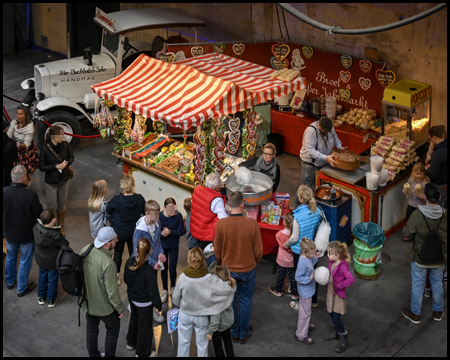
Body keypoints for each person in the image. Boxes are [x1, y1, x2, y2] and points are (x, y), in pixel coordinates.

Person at [214, 191, 263, 344]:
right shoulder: (252, 224)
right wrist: (253, 262)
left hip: (229, 271)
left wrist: (223, 263)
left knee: (231, 302)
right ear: (242, 205)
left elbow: (217, 250)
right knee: (246, 301)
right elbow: (259, 251)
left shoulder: (221, 224)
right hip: (248, 269)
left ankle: (233, 332)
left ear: (228, 205)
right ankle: (243, 333)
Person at [172, 248, 236, 357]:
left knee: (183, 343)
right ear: (203, 260)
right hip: (201, 316)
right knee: (202, 346)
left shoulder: (183, 277)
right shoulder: (209, 278)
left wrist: (180, 305)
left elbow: (175, 298)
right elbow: (229, 289)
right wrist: (230, 279)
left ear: (189, 260)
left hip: (185, 314)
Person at [402, 183, 447, 324]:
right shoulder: (445, 216)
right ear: (439, 198)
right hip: (440, 257)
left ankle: (415, 314)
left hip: (420, 257)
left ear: (425, 197)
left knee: (417, 284)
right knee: (437, 283)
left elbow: (407, 234)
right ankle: (438, 312)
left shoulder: (417, 215)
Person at [80, 227, 125, 358]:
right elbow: (112, 293)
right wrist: (120, 309)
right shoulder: (108, 264)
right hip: (104, 308)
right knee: (113, 329)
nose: (117, 240)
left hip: (87, 302)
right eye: (114, 239)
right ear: (107, 243)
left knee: (91, 329)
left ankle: (93, 355)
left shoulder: (85, 249)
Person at [3, 165, 43, 296]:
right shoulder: (30, 195)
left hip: (9, 233)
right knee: (25, 260)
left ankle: (9, 282)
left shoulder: (4, 192)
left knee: (10, 257)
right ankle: (21, 288)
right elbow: (38, 214)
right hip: (26, 235)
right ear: (24, 178)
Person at [284, 185, 321, 309]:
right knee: (312, 274)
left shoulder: (297, 216)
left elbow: (294, 238)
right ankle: (314, 301)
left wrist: (286, 244)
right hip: (312, 247)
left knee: (299, 275)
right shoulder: (317, 211)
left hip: (300, 250)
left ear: (300, 199)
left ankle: (296, 299)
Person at [124, 238, 162, 358]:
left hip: (132, 299)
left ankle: (131, 342)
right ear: (150, 251)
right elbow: (153, 291)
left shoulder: (129, 261)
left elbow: (126, 279)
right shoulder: (149, 271)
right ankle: (142, 353)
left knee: (134, 320)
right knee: (144, 328)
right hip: (145, 304)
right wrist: (158, 305)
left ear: (136, 249)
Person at [106, 174, 146, 286]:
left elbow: (108, 210)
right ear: (133, 185)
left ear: (122, 186)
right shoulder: (139, 198)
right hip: (134, 232)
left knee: (118, 254)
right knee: (133, 253)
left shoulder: (116, 200)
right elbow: (145, 211)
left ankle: (117, 276)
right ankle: (134, 275)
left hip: (119, 232)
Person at [132, 199, 166, 323]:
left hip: (155, 264)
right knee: (145, 289)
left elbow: (158, 241)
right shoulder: (139, 231)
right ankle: (149, 310)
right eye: (155, 215)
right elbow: (137, 253)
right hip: (144, 264)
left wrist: (161, 252)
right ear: (147, 214)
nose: (157, 217)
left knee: (151, 287)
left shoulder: (157, 223)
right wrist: (152, 263)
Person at [38, 125, 74, 236]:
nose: (62, 137)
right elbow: (42, 167)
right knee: (51, 206)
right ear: (53, 136)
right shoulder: (45, 149)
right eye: (59, 135)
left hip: (64, 179)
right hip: (51, 182)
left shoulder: (65, 145)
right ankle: (53, 226)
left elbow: (71, 157)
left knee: (62, 205)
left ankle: (60, 226)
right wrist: (55, 167)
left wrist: (67, 163)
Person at [298, 116, 345, 200]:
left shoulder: (330, 127)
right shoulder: (311, 131)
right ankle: (297, 209)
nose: (327, 133)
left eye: (328, 131)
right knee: (305, 190)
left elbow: (335, 138)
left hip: (324, 162)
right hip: (310, 164)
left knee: (321, 188)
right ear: (319, 126)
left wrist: (340, 147)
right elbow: (310, 150)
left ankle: (316, 207)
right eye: (325, 132)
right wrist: (326, 157)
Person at [323, 241, 355, 353]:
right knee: (331, 313)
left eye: (329, 253)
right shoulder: (332, 262)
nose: (327, 255)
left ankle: (343, 337)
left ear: (337, 255)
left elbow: (351, 279)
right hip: (330, 293)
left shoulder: (342, 267)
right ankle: (336, 331)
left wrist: (340, 285)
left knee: (336, 317)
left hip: (337, 295)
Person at [33, 208, 68, 308]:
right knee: (52, 279)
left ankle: (41, 297)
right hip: (53, 262)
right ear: (53, 220)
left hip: (41, 259)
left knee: (42, 276)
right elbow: (65, 244)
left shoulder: (36, 228)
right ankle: (51, 300)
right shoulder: (56, 234)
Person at [191, 172, 228, 250]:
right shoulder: (217, 200)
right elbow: (223, 219)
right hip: (207, 234)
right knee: (207, 254)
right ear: (217, 186)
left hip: (196, 229)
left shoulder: (197, 189)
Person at [295, 238, 321, 345]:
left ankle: (305, 326)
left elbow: (311, 263)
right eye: (312, 252)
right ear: (304, 252)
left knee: (307, 311)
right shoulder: (302, 263)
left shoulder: (307, 258)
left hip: (308, 291)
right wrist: (309, 279)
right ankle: (301, 334)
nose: (314, 253)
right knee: (304, 313)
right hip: (305, 292)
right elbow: (298, 277)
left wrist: (316, 257)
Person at [159, 197, 185, 303]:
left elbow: (181, 231)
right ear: (164, 208)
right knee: (163, 268)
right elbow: (153, 229)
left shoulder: (178, 216)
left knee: (173, 269)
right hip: (162, 245)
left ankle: (173, 287)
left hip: (174, 245)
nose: (171, 213)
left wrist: (171, 232)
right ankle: (165, 289)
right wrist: (161, 233)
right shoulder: (159, 216)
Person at [207, 265, 236, 358]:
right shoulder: (230, 287)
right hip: (227, 321)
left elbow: (215, 316)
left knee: (218, 345)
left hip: (217, 326)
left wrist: (210, 332)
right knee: (228, 341)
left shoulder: (215, 293)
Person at [269, 212, 299, 301]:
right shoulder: (295, 235)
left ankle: (278, 290)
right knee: (293, 277)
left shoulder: (279, 234)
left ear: (284, 223)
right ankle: (294, 293)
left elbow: (282, 245)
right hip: (292, 260)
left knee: (281, 275)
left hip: (282, 260)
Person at [7, 104, 39, 175]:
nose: (18, 116)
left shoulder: (30, 127)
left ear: (26, 115)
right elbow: (9, 134)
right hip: (15, 147)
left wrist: (15, 144)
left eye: (21, 114)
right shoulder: (14, 122)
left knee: (24, 172)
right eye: (17, 113)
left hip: (26, 150)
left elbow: (26, 144)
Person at [402, 162, 430, 241]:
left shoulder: (425, 183)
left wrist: (422, 197)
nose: (419, 176)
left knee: (419, 222)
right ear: (413, 173)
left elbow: (428, 198)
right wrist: (405, 191)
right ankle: (408, 235)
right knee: (409, 220)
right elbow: (405, 188)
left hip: (421, 207)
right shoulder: (411, 180)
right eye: (417, 173)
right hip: (411, 204)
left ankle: (418, 236)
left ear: (424, 173)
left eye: (421, 174)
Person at [425, 125, 447, 209]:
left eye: (430, 139)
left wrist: (427, 170)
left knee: (438, 207)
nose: (431, 141)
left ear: (434, 137)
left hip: (441, 184)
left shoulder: (438, 153)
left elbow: (433, 174)